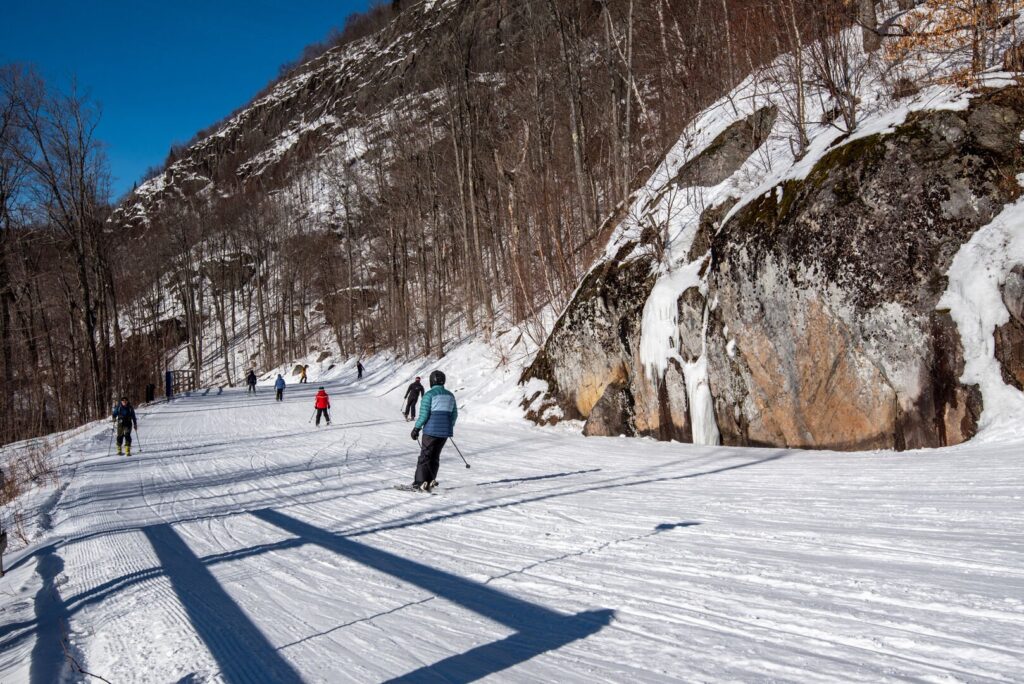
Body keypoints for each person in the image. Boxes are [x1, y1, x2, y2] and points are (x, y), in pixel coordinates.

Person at [409, 370, 457, 492]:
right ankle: (430, 480)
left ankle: (419, 482)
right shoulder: (450, 395)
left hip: (431, 431)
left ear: (432, 381)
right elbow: (454, 415)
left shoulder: (429, 395)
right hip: (444, 433)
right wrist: (447, 426)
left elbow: (424, 415)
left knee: (425, 456)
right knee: (435, 456)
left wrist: (416, 428)